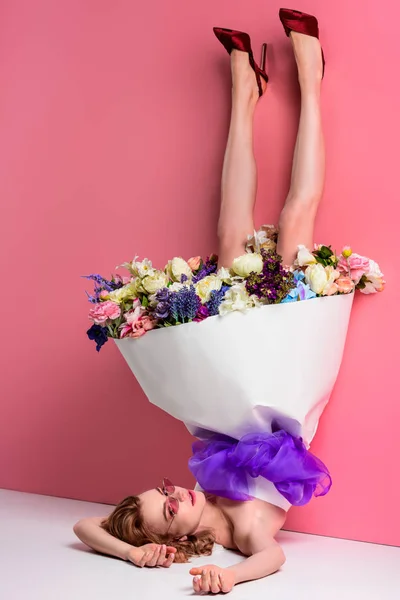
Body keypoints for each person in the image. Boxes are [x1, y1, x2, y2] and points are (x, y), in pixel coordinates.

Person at [74, 8, 326, 595]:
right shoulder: (241, 529)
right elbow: (273, 561)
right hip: (283, 360)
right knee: (294, 226)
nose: (172, 495)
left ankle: (246, 88)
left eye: (160, 490)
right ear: (178, 538)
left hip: (246, 363)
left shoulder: (208, 484)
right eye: (167, 511)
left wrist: (128, 553)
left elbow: (86, 526)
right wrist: (230, 576)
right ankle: (310, 78)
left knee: (228, 239)